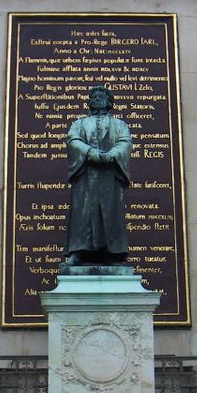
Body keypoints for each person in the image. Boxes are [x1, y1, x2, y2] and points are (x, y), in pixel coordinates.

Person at [64, 85, 132, 266]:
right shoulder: (79, 124)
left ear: (110, 102)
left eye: (102, 95)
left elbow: (125, 142)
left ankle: (112, 253)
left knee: (110, 214)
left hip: (110, 177)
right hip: (86, 176)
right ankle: (79, 251)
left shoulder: (120, 125)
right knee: (83, 215)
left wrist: (113, 154)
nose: (98, 98)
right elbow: (73, 141)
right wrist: (89, 152)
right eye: (94, 95)